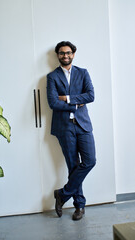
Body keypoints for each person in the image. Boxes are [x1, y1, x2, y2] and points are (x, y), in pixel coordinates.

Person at [47, 41, 96, 221]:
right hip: (64, 127)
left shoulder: (83, 73)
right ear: (58, 55)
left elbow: (90, 95)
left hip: (83, 125)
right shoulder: (52, 77)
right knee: (73, 166)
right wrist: (75, 104)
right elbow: (53, 103)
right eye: (61, 53)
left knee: (90, 161)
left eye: (68, 53)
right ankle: (79, 206)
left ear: (73, 54)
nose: (65, 56)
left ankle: (63, 194)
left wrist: (67, 98)